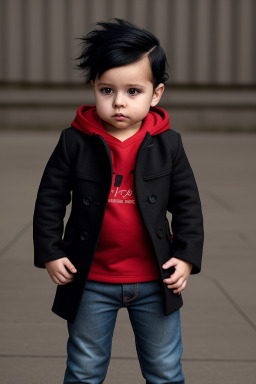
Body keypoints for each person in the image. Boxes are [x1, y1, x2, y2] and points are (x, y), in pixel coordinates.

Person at [33, 19, 204, 384]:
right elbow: (50, 199)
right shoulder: (74, 142)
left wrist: (187, 257)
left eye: (133, 91)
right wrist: (50, 251)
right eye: (107, 90)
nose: (119, 102)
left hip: (155, 279)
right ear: (94, 87)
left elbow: (187, 203)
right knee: (84, 369)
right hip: (91, 278)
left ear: (156, 94)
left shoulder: (168, 145)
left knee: (164, 368)